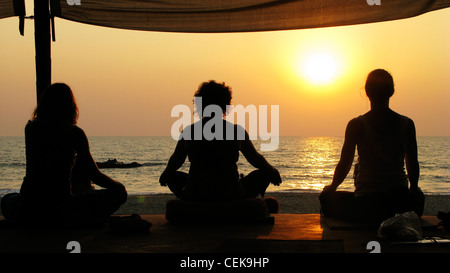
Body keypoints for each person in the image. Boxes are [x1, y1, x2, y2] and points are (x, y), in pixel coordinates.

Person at [1, 83, 127, 227]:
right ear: (70, 106)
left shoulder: (30, 129)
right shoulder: (75, 133)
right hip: (60, 206)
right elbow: (93, 174)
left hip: (28, 205)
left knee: (7, 199)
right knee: (119, 193)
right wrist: (118, 187)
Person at [319, 69, 424, 225]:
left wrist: (332, 187)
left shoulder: (356, 124)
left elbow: (345, 163)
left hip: (367, 203)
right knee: (419, 198)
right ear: (392, 91)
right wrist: (414, 189)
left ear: (367, 92)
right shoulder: (407, 124)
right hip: (400, 202)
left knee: (325, 198)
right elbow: (412, 164)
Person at [160, 80, 282, 203]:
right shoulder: (236, 131)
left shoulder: (189, 131)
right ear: (225, 104)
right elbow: (255, 158)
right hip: (232, 193)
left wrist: (165, 173)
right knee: (264, 174)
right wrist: (272, 171)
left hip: (196, 193)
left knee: (172, 176)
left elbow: (176, 160)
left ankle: (192, 203)